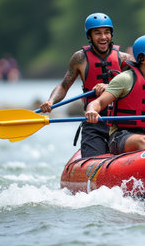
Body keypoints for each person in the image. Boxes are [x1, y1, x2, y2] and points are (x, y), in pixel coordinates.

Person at [40, 13, 133, 157]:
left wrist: (109, 87)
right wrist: (51, 101)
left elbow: (137, 86)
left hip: (120, 123)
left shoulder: (124, 59)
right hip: (93, 123)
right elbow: (63, 86)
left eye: (106, 32)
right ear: (89, 36)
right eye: (98, 33)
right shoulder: (80, 58)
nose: (103, 37)